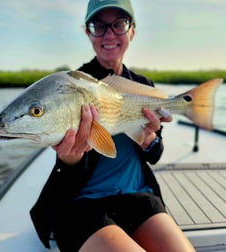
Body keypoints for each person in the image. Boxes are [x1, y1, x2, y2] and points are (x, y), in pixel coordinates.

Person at [30, 0, 195, 251]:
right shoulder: (70, 86)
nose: (109, 34)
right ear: (88, 32)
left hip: (138, 196)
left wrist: (149, 138)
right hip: (82, 203)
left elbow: (155, 154)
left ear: (132, 31)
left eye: (119, 24)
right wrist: (69, 158)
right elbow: (68, 171)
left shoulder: (143, 85)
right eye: (98, 25)